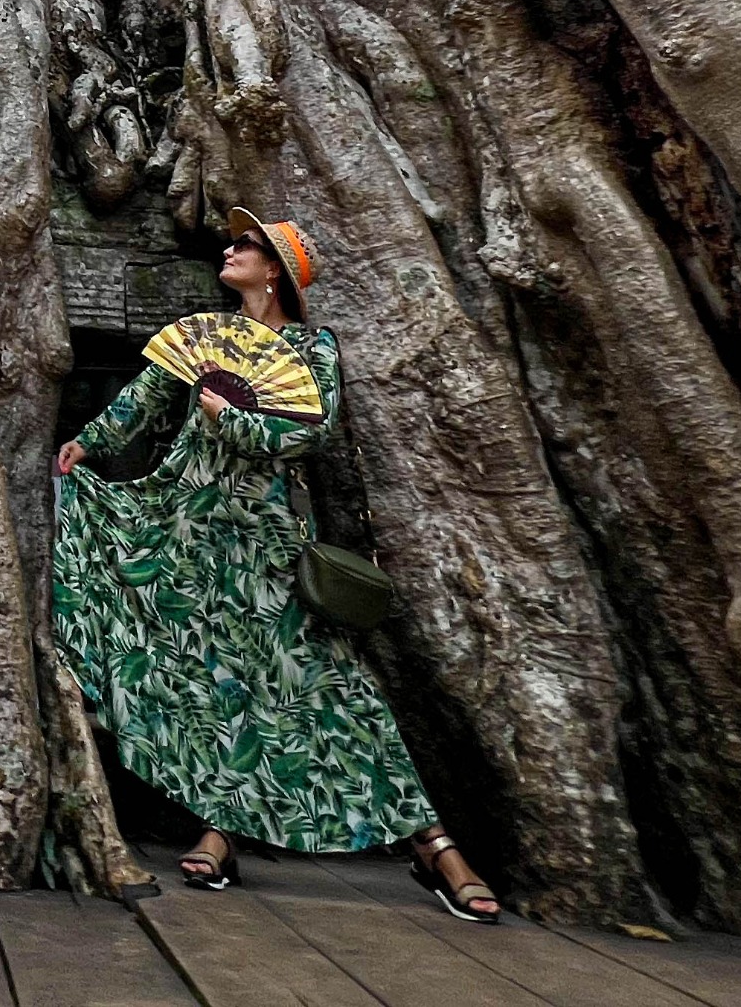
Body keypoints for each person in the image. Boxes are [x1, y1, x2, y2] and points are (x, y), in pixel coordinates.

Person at [52, 209, 502, 920]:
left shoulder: (310, 346)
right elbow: (142, 400)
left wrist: (227, 416)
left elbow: (307, 433)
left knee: (331, 687)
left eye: (246, 246)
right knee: (216, 679)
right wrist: (89, 443)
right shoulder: (208, 335)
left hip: (265, 543)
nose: (229, 250)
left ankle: (434, 847)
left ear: (276, 272)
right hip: (185, 526)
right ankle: (221, 833)